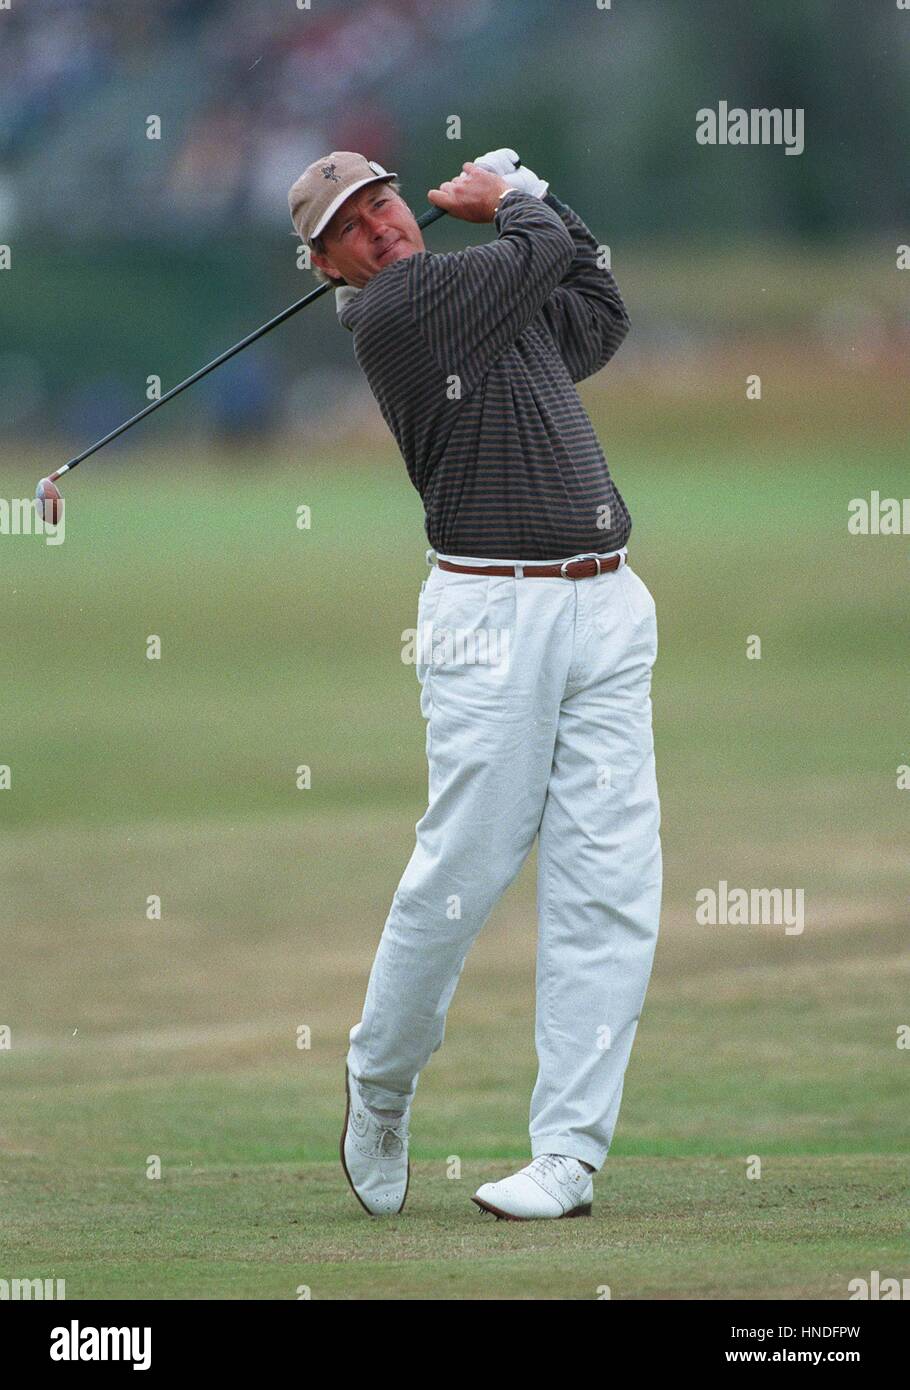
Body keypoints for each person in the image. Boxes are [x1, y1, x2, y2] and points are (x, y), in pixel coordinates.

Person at [288, 149, 662, 1220]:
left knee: (609, 883)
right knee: (461, 869)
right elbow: (539, 246)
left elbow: (593, 306)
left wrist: (539, 197)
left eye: (383, 200)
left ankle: (567, 1159)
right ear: (329, 268)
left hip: (605, 606)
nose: (381, 226)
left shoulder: (479, 295)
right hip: (491, 618)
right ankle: (381, 1084)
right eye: (348, 226)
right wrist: (517, 193)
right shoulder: (398, 311)